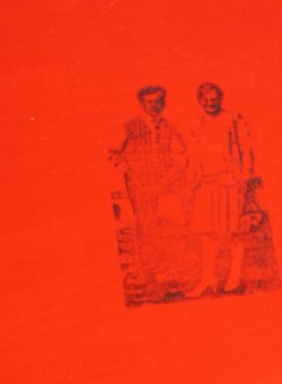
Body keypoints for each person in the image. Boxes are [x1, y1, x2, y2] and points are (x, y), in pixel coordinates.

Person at [109, 86, 188, 284]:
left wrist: (167, 180)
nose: (154, 106)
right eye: (150, 102)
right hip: (140, 187)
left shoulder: (170, 128)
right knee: (146, 226)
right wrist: (130, 172)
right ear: (142, 103)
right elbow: (113, 154)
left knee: (169, 226)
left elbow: (181, 157)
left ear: (164, 102)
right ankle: (148, 270)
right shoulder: (129, 127)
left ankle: (170, 268)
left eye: (158, 101)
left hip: (166, 185)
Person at [187, 82, 257, 297]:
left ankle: (234, 276)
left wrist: (243, 179)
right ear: (200, 101)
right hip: (208, 184)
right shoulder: (196, 123)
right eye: (206, 99)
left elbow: (246, 150)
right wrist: (194, 182)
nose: (210, 103)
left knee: (235, 231)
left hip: (231, 183)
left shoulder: (233, 119)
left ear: (220, 99)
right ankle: (208, 279)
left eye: (214, 99)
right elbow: (194, 155)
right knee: (208, 234)